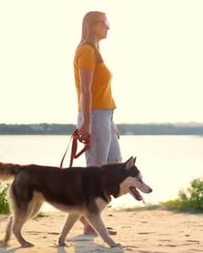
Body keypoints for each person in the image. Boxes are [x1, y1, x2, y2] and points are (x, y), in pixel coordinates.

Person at [73, 11, 122, 235]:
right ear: (93, 25)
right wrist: (87, 124)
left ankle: (87, 217)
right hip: (94, 116)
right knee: (96, 171)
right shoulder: (85, 51)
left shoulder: (95, 51)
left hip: (105, 117)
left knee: (115, 165)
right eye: (105, 24)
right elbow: (86, 90)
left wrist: (111, 123)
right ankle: (89, 222)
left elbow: (101, 92)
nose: (108, 28)